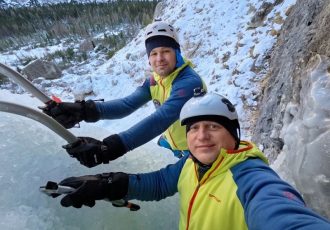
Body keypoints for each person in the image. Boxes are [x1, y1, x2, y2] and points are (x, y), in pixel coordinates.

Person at [50, 92, 330, 229]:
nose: (201, 136)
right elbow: (159, 183)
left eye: (213, 127)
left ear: (233, 135)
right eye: (193, 128)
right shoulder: (192, 164)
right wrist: (106, 184)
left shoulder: (250, 177)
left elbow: (281, 215)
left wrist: (109, 148)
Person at [42, 20, 206, 167]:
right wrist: (83, 110)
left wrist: (110, 147)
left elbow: (160, 120)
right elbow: (126, 105)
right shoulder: (155, 80)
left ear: (177, 53)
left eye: (166, 51)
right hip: (172, 144)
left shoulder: (188, 83)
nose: (159, 58)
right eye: (154, 53)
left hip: (196, 150)